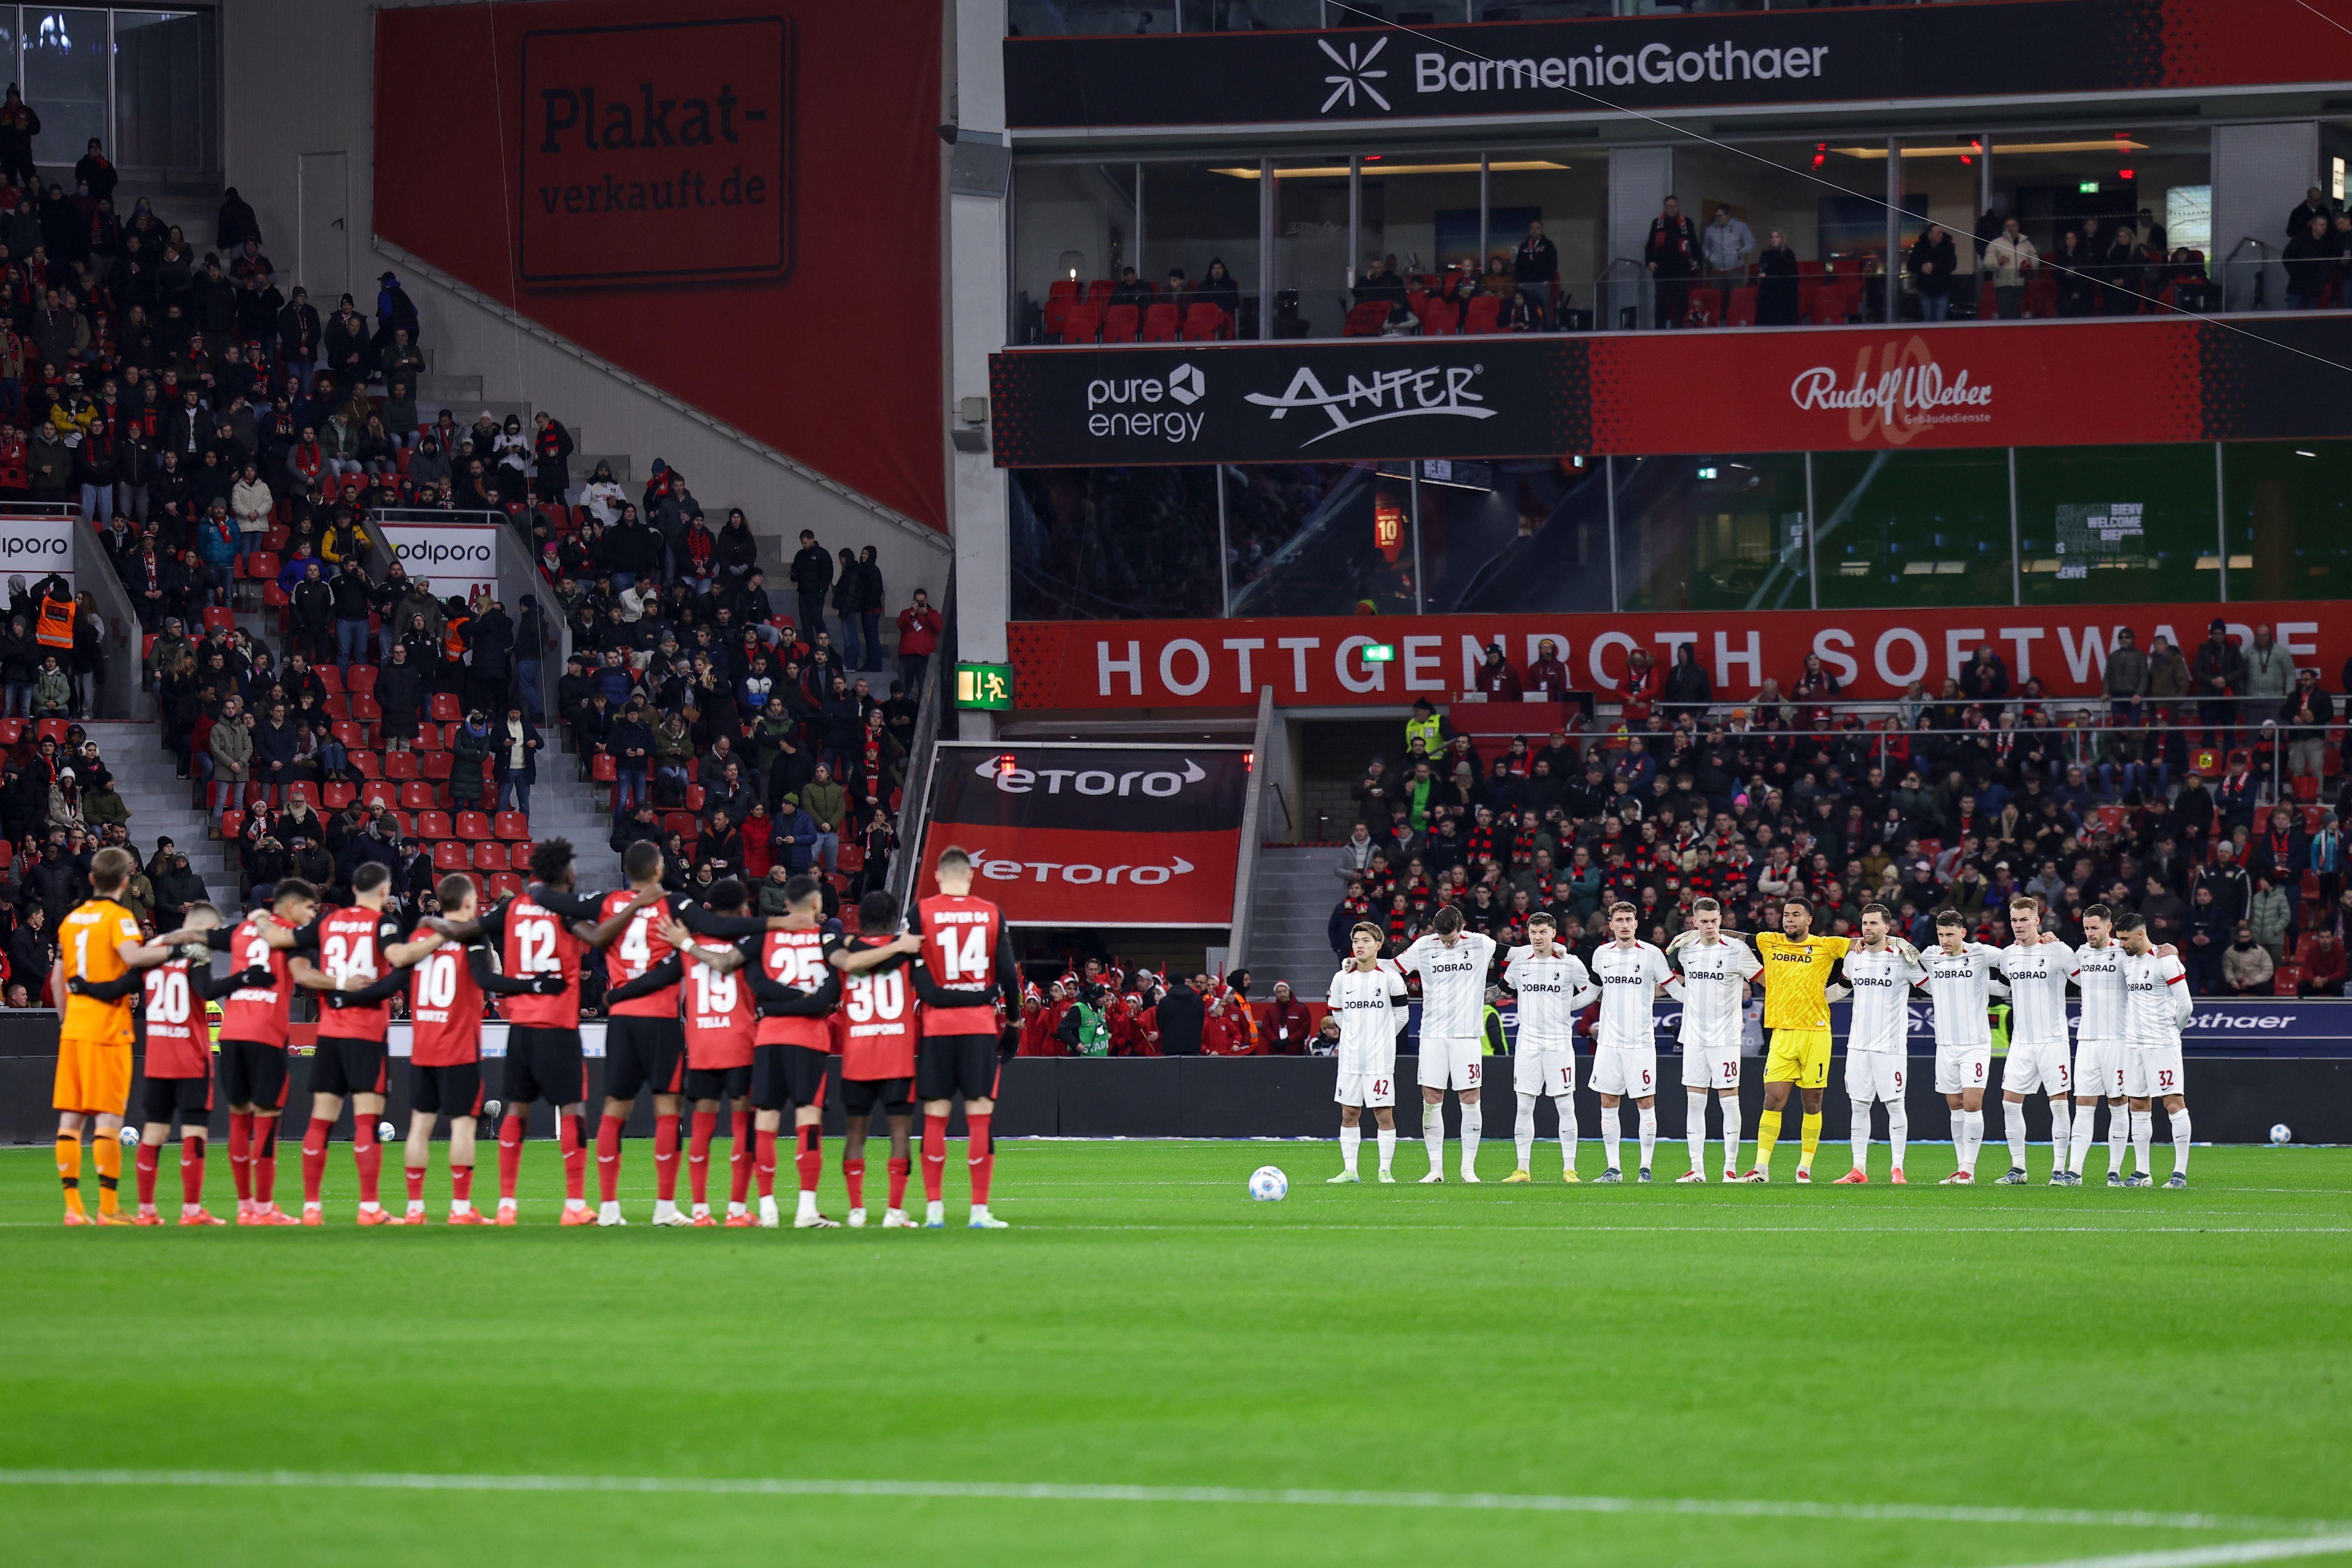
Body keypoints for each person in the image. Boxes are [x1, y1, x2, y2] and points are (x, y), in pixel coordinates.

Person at [418, 840, 646, 1224]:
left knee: (516, 1111)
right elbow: (598, 939)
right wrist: (634, 908)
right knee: (572, 1109)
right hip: (558, 1026)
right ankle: (575, 1204)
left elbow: (466, 928)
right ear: (564, 872)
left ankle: (507, 1204)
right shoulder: (564, 910)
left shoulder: (512, 908)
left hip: (521, 1027)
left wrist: (435, 923)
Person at [566, 841, 775, 1226]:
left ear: (628, 870)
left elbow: (562, 908)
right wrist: (779, 923)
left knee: (614, 1110)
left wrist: (614, 994)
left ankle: (609, 1207)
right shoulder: (673, 906)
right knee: (668, 1111)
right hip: (663, 1020)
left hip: (623, 1022)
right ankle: (667, 1206)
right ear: (659, 869)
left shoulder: (609, 903)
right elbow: (713, 933)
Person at [49, 847, 195, 1224]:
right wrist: (175, 948)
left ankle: (73, 1208)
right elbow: (133, 957)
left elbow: (57, 978)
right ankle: (109, 1207)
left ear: (92, 879)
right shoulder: (119, 917)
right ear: (126, 881)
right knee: (108, 1117)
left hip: (75, 1029)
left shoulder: (71, 920)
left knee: (71, 1117)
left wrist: (66, 1022)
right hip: (109, 1029)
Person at [296, 861, 445, 1223]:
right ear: (383, 890)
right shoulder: (383, 923)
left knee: (320, 1120)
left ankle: (312, 1208)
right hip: (365, 1034)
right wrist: (439, 935)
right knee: (366, 1121)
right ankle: (369, 1207)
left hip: (329, 1031)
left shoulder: (328, 922)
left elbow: (295, 959)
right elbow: (398, 957)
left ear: (353, 889)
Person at [400, 875, 544, 1224]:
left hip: (423, 1046)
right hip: (459, 1047)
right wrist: (530, 985)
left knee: (419, 1126)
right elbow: (486, 979)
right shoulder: (473, 939)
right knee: (463, 1126)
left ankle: (414, 1208)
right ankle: (461, 1209)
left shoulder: (421, 936)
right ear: (468, 903)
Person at [910, 847, 1022, 1228]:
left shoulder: (921, 911)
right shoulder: (991, 912)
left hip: (938, 1028)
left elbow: (917, 975)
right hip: (978, 1028)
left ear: (939, 876)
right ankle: (978, 1211)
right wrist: (1013, 1021)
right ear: (971, 875)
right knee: (979, 1118)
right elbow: (1008, 974)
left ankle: (934, 1210)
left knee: (935, 1118)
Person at [206, 880, 328, 1223]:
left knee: (238, 1119)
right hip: (266, 1034)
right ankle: (263, 1208)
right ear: (291, 906)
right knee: (265, 1122)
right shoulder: (291, 936)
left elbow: (204, 936)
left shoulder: (242, 931)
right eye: (310, 908)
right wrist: (342, 985)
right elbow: (302, 974)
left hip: (232, 1033)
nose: (312, 915)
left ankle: (244, 1207)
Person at [1741, 897, 1851, 1183]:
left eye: (1796, 915)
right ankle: (1761, 1168)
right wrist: (1705, 933)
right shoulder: (1769, 941)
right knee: (1772, 1099)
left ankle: (1804, 1167)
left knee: (1812, 1103)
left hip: (1816, 1034)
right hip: (1781, 1033)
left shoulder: (1826, 945)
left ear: (1809, 920)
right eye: (1786, 915)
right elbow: (1740, 938)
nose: (1789, 920)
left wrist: (1894, 941)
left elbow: (1860, 944)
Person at [1391, 903, 1497, 1183]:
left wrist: (1554, 950)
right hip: (1433, 1035)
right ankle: (1435, 1169)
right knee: (1431, 1098)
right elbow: (1394, 967)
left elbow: (1513, 953)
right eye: (1441, 937)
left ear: (1461, 927)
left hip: (1467, 1035)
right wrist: (1361, 964)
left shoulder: (1480, 943)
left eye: (1450, 938)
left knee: (1470, 1098)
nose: (1446, 943)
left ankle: (1468, 1169)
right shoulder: (1424, 946)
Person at [1664, 897, 1759, 1184]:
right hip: (1694, 1036)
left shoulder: (1737, 950)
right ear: (1694, 922)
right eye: (1704, 921)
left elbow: (1765, 979)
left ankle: (1729, 1170)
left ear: (1721, 921)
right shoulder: (1686, 950)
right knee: (1695, 1102)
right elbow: (1673, 983)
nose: (1709, 926)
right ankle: (1697, 1169)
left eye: (1714, 921)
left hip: (1725, 1038)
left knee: (1729, 1101)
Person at [1829, 904, 1924, 1185]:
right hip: (1858, 1046)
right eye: (1865, 923)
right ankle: (1858, 1169)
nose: (1867, 928)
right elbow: (1842, 989)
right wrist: (1809, 1001)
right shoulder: (1853, 958)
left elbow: (1931, 985)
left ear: (1887, 927)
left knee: (1895, 1105)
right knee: (1859, 1106)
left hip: (1890, 1048)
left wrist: (1909, 949)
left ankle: (1897, 1168)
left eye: (1873, 923)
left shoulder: (1901, 960)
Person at [1500, 911, 1596, 1183]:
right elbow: (1502, 990)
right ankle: (1522, 1169)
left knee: (1565, 1106)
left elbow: (1591, 991)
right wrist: (1474, 1001)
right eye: (1533, 932)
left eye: (1543, 932)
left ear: (1554, 933)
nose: (1538, 937)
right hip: (1528, 1044)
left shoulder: (1570, 963)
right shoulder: (1520, 963)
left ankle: (1570, 1169)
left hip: (1558, 1044)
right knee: (1523, 1107)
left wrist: (1567, 1006)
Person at [1582, 900, 1672, 1182]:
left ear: (1636, 923)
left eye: (1628, 919)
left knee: (1645, 1102)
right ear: (1611, 925)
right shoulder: (1601, 954)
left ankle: (1645, 1169)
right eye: (1619, 920)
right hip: (1609, 1044)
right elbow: (1593, 992)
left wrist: (1694, 1000)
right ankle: (1614, 1169)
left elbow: (1670, 987)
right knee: (1608, 1101)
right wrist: (1563, 1006)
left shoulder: (1651, 954)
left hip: (1640, 1043)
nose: (1624, 924)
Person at [1991, 895, 2078, 1185]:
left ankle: (2059, 1169)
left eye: (2024, 920)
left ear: (2037, 920)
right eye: (2014, 920)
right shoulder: (2008, 955)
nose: (2018, 925)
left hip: (2053, 1040)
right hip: (2021, 1042)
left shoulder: (2058, 950)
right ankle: (2018, 1169)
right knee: (2009, 1103)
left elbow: (2084, 979)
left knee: (2059, 1104)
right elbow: (2004, 988)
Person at [1919, 908, 2009, 1184]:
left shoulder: (1981, 953)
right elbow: (1907, 958)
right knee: (1955, 1106)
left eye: (1950, 934)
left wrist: (2042, 941)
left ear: (1963, 933)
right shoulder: (1930, 955)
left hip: (1975, 1044)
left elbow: (2012, 959)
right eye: (1941, 935)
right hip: (1945, 1045)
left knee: (1972, 1103)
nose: (1945, 940)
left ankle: (1969, 1168)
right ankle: (1961, 1167)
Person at [1325, 922, 1407, 1184]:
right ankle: (1351, 1171)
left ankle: (1385, 1170)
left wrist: (1381, 1038)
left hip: (1379, 1061)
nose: (1360, 946)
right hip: (1350, 1060)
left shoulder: (1390, 978)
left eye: (1366, 941)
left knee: (1383, 1114)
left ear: (1378, 946)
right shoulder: (1342, 978)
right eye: (1356, 941)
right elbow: (1337, 1013)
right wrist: (1353, 1033)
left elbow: (1402, 1015)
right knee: (1349, 1113)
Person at [2116, 911, 2193, 1186]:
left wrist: (2172, 1032)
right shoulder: (2127, 962)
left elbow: (2186, 1006)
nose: (2122, 944)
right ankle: (2143, 1173)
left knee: (2173, 1104)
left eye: (2125, 939)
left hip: (2162, 1044)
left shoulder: (2166, 960)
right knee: (2137, 1104)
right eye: (2119, 939)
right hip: (2134, 1044)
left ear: (2141, 934)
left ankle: (2179, 1174)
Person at [2065, 905, 2133, 1184]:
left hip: (2117, 1039)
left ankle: (2114, 1171)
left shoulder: (2124, 952)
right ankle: (2074, 1171)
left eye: (2095, 928)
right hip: (2087, 1039)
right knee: (2083, 1103)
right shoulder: (2081, 953)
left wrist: (2170, 949)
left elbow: (2152, 957)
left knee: (2118, 1102)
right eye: (2086, 928)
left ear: (2108, 927)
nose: (2090, 933)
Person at [1644, 195, 1699, 328]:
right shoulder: (1657, 223)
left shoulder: (1687, 223)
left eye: (1674, 206)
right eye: (1669, 206)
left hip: (1681, 269)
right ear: (1665, 207)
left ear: (1678, 207)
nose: (1672, 209)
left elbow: (1694, 243)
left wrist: (1696, 260)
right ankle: (1660, 330)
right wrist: (1650, 261)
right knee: (1661, 302)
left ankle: (1680, 329)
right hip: (1662, 270)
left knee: (1682, 300)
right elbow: (1650, 245)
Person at [1701, 203, 1755, 300]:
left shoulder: (1740, 227)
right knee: (1718, 300)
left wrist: (1739, 253)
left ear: (1728, 215)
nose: (1718, 218)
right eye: (1717, 216)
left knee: (1737, 300)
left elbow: (1751, 243)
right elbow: (1706, 247)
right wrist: (1710, 257)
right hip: (1717, 272)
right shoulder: (1710, 230)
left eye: (1721, 216)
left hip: (1736, 271)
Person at [1907, 223, 1958, 322]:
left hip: (1942, 289)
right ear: (1930, 235)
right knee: (1928, 321)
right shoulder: (1920, 247)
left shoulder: (1948, 247)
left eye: (1941, 233)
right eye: (1938, 233)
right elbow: (1911, 266)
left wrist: (1934, 268)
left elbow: (1952, 265)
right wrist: (1922, 268)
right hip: (1925, 289)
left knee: (1940, 321)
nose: (1941, 235)